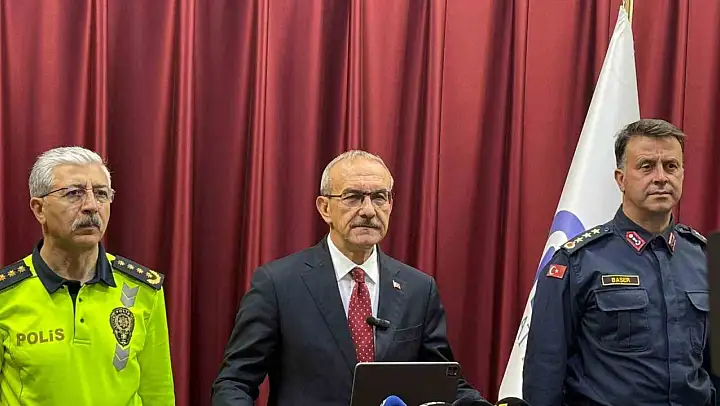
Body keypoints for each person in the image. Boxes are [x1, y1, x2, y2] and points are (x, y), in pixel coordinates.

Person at [212, 150, 490, 406]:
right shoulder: (278, 284)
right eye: (353, 197)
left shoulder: (419, 289)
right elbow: (235, 382)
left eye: (379, 197)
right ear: (325, 208)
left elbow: (443, 382)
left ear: (390, 204)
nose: (368, 210)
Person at [523, 119, 720, 405]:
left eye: (671, 166)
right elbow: (544, 375)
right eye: (646, 166)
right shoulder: (577, 262)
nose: (661, 177)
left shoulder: (704, 258)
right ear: (621, 179)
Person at [0, 146, 174, 405]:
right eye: (74, 193)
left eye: (101, 194)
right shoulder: (6, 294)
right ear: (39, 209)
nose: (92, 206)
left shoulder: (143, 290)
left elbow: (157, 393)